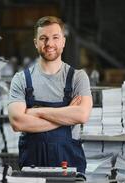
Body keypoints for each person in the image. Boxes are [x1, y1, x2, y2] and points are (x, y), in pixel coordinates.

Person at [7, 16, 93, 173]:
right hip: (32, 167)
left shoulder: (78, 77)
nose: (49, 44)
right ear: (35, 43)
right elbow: (18, 122)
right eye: (43, 38)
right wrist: (66, 116)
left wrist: (37, 112)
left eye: (55, 37)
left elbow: (82, 115)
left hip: (69, 165)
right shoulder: (21, 79)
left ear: (63, 42)